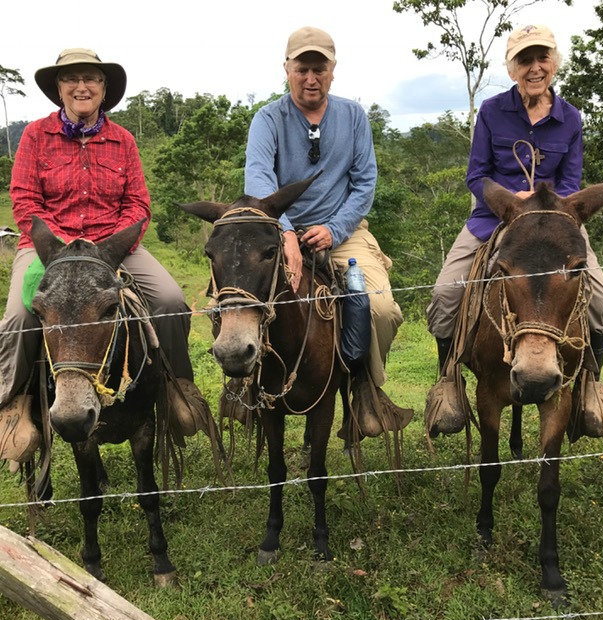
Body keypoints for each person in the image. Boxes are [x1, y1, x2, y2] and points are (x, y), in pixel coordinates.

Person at [0, 48, 211, 467]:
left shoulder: (123, 140)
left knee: (169, 299)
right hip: (49, 249)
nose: (82, 86)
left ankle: (176, 387)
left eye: (91, 78)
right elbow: (24, 200)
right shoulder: (35, 137)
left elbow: (138, 203)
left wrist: (109, 247)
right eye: (71, 79)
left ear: (104, 88)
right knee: (19, 318)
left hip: (113, 247)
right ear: (59, 89)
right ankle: (15, 404)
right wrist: (60, 249)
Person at [426, 24, 603, 437]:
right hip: (495, 218)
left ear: (554, 63)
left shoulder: (571, 118)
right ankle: (449, 381)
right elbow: (476, 176)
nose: (535, 67)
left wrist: (545, 205)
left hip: (557, 224)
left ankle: (588, 385)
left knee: (602, 299)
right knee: (445, 293)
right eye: (525, 60)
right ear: (512, 68)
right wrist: (514, 199)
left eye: (542, 58)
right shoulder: (493, 111)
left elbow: (571, 182)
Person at [243, 26, 413, 436]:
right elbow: (258, 179)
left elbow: (364, 182)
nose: (310, 77)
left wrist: (334, 229)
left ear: (333, 70)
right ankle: (246, 387)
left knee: (383, 309)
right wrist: (284, 231)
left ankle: (364, 389)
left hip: (343, 230)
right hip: (278, 232)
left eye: (319, 68)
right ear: (287, 69)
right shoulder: (268, 118)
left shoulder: (353, 116)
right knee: (240, 298)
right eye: (302, 68)